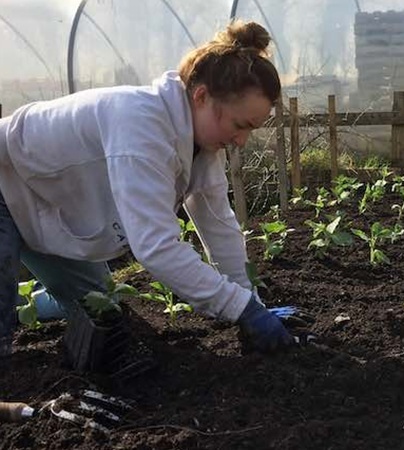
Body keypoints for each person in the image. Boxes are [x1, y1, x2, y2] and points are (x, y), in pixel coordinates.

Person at [0, 19, 294, 358]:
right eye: (239, 125)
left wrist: (250, 301)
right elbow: (156, 248)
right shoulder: (140, 126)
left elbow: (219, 224)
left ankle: (23, 303)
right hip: (6, 182)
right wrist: (239, 308)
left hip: (46, 203)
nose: (241, 141)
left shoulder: (203, 147)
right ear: (201, 96)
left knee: (103, 311)